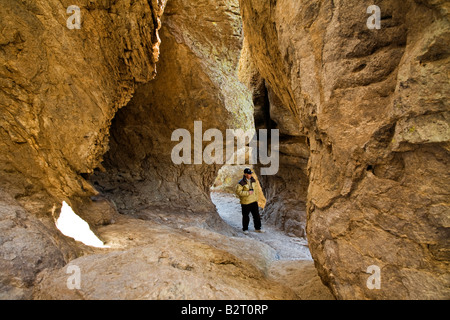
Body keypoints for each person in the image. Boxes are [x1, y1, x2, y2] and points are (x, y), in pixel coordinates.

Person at [235, 168, 265, 234]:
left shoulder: (253, 180)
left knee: (256, 215)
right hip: (246, 202)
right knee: (246, 216)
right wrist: (248, 193)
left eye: (250, 173)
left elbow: (256, 190)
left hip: (254, 201)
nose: (250, 175)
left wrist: (257, 198)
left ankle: (258, 228)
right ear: (245, 174)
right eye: (248, 174)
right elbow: (238, 192)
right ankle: (245, 229)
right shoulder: (241, 183)